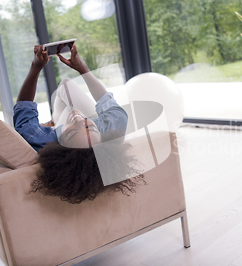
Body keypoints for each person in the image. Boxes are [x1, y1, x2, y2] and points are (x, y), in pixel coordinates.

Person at [13, 44, 144, 204]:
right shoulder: (113, 126)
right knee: (66, 84)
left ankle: (55, 122)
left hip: (59, 126)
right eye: (89, 126)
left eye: (72, 132)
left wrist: (36, 67)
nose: (78, 120)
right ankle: (60, 121)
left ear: (61, 144)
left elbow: (24, 106)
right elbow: (105, 99)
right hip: (84, 126)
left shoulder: (40, 139)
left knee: (66, 88)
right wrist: (82, 68)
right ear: (102, 136)